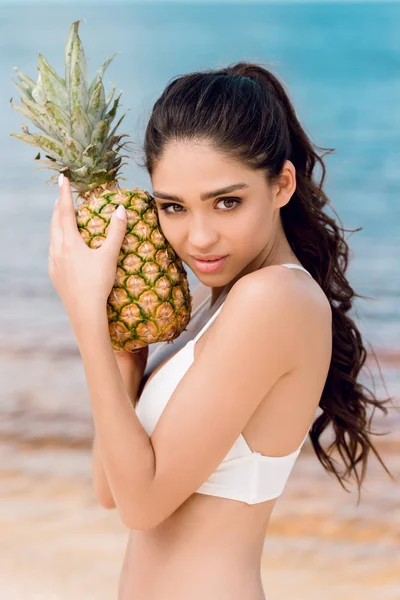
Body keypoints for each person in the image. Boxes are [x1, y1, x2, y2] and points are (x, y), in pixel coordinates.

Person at [90, 62, 394, 600]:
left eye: (226, 202)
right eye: (173, 207)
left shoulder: (274, 298)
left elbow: (140, 507)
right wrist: (125, 347)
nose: (199, 237)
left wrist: (84, 314)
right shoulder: (224, 303)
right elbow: (110, 489)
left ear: (281, 183)